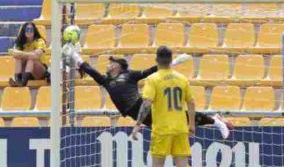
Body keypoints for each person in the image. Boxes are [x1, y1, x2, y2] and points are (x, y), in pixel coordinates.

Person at [64, 47, 232, 138]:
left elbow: (150, 71)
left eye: (111, 63)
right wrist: (76, 57)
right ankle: (215, 120)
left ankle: (216, 122)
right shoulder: (106, 81)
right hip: (134, 114)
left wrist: (174, 62)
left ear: (118, 66)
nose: (107, 66)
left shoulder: (129, 75)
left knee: (181, 117)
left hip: (141, 107)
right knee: (173, 127)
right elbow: (91, 71)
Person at [132, 46, 195, 167]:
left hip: (162, 129)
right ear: (171, 60)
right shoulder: (182, 78)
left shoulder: (152, 79)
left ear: (156, 60)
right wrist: (191, 124)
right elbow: (191, 102)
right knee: (183, 163)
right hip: (180, 128)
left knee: (157, 164)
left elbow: (146, 103)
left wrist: (138, 124)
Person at [8, 22, 47, 87]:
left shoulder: (39, 41)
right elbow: (13, 53)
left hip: (39, 71)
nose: (29, 32)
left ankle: (23, 84)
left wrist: (21, 53)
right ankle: (18, 80)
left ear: (34, 31)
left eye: (31, 30)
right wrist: (23, 54)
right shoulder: (20, 42)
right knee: (18, 58)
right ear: (23, 31)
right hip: (26, 72)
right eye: (27, 29)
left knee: (31, 59)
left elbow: (36, 55)